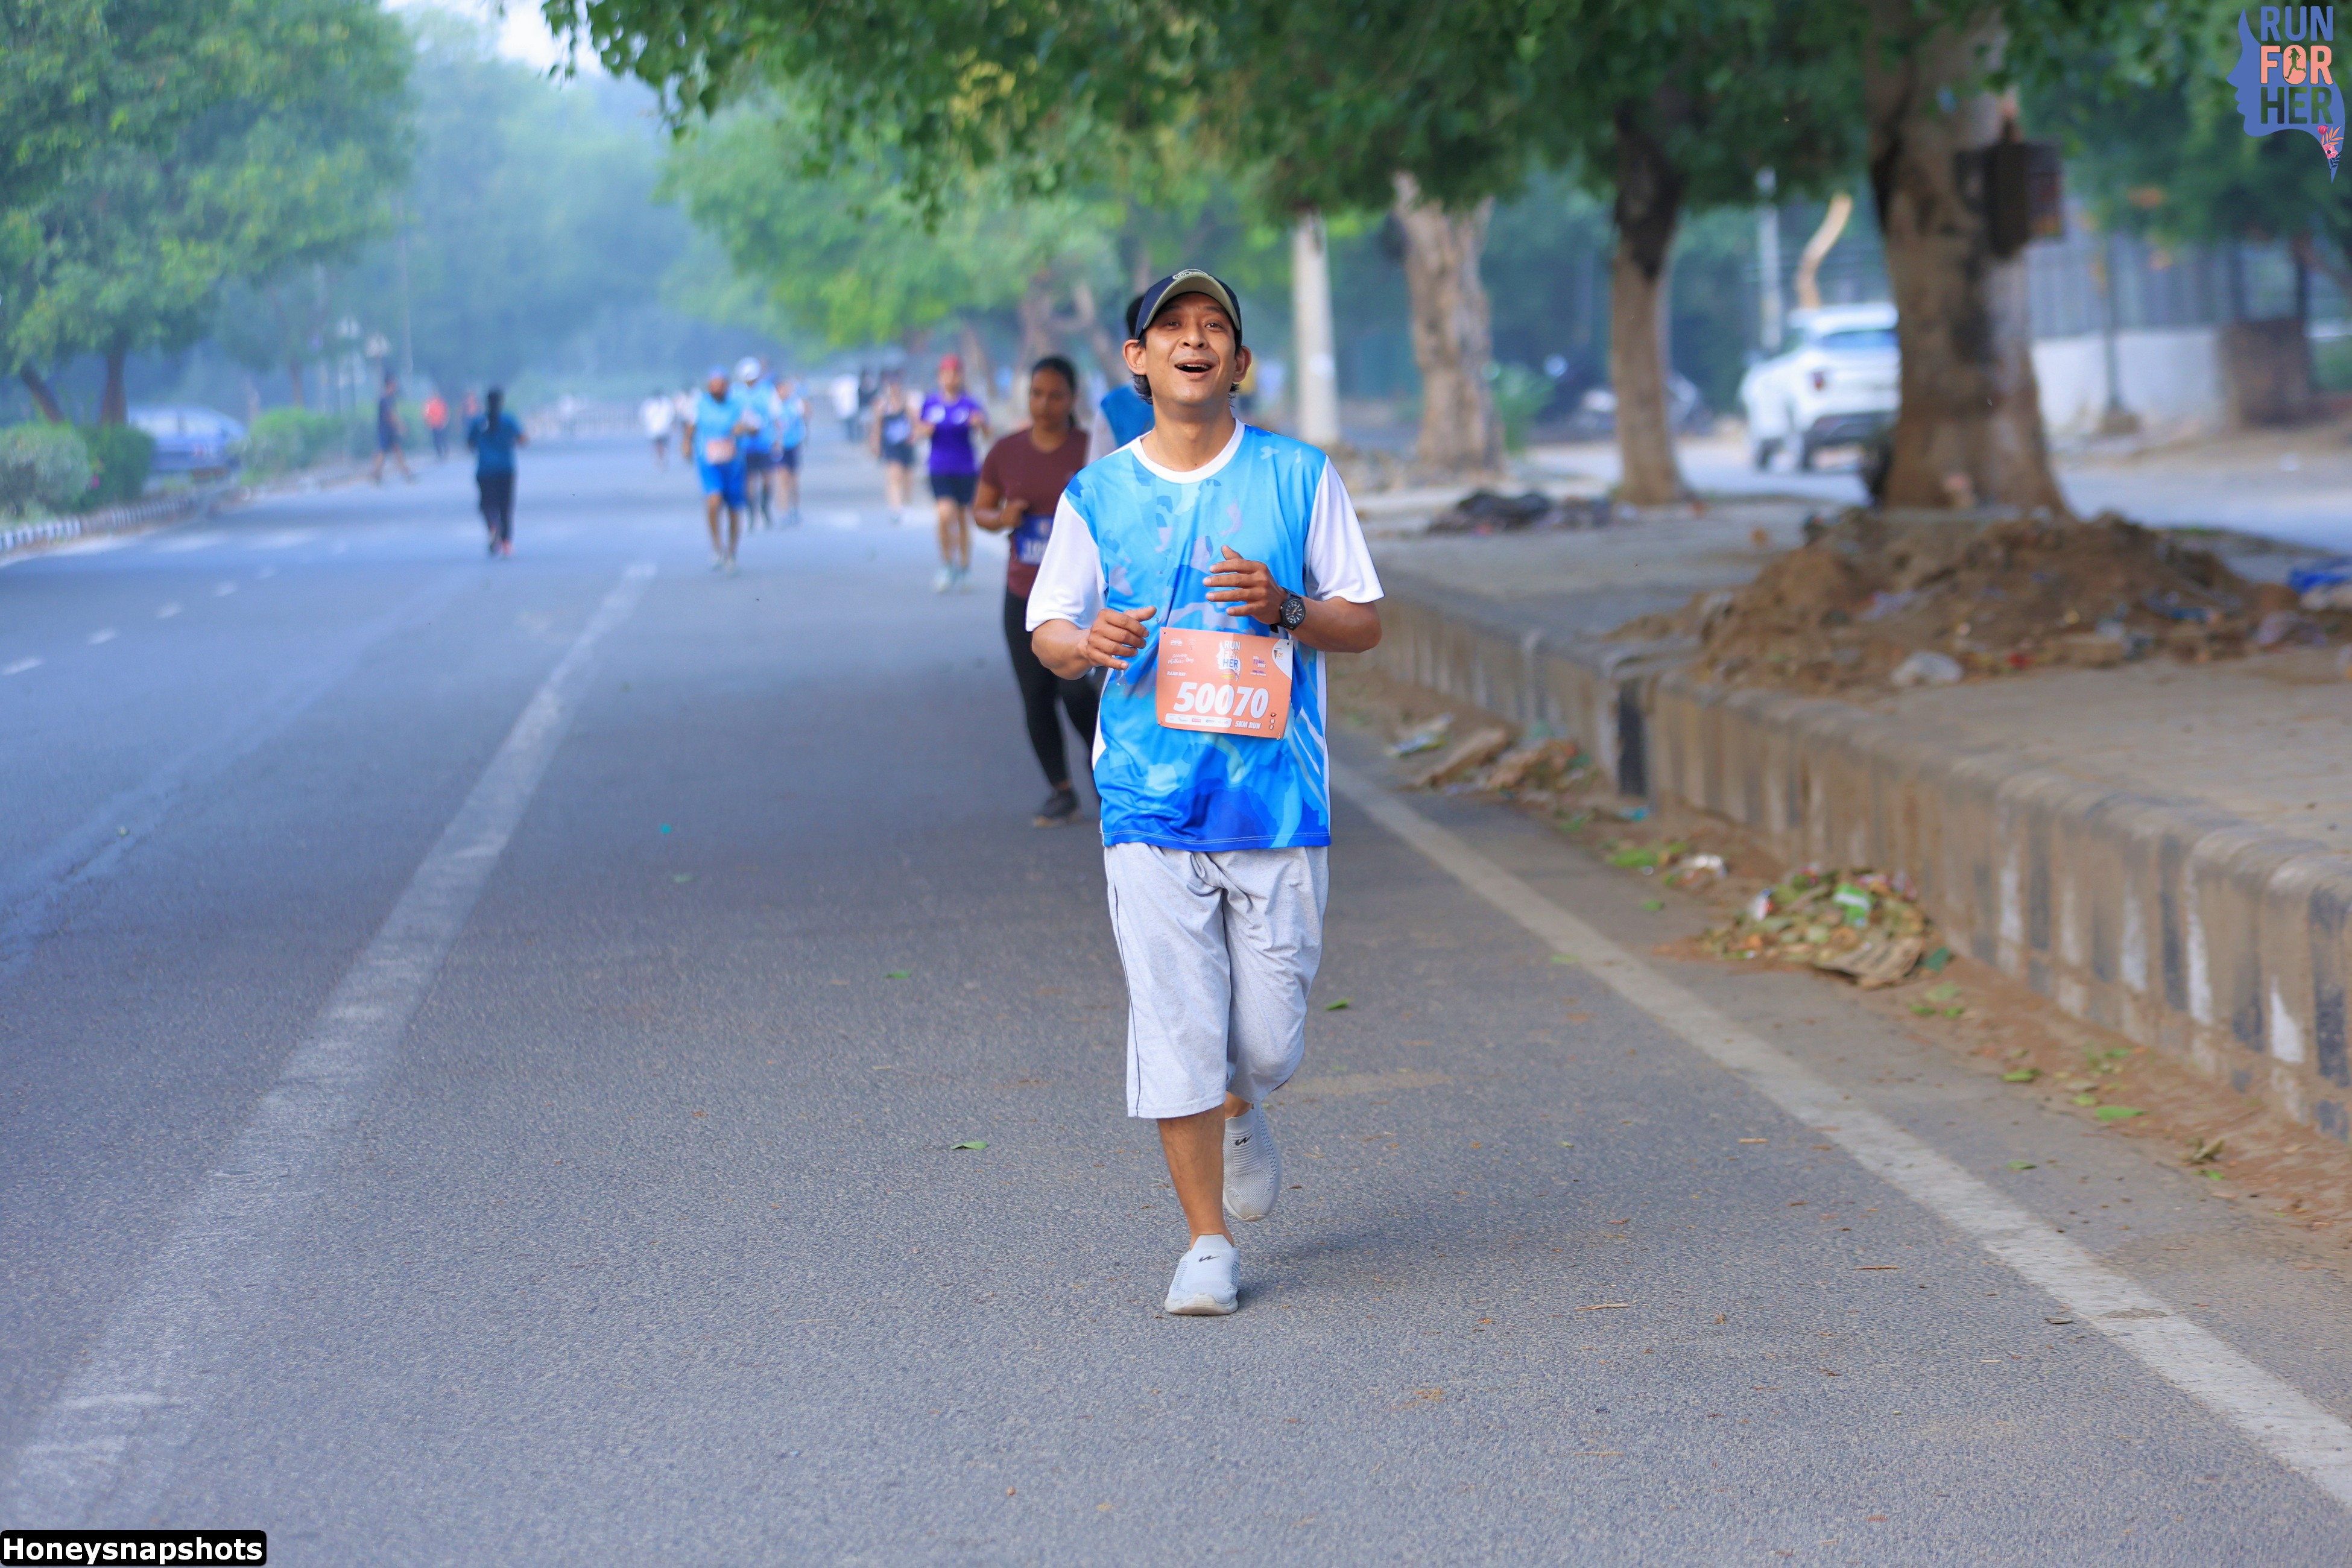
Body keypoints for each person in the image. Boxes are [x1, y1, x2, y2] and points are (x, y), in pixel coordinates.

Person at [1026, 270, 1383, 1317]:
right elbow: (1049, 629)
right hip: (1147, 802)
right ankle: (1205, 1244)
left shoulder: (1297, 477)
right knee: (1176, 1021)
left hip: (1275, 804)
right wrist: (1084, 643)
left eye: (1214, 325)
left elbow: (1363, 620)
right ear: (1137, 360)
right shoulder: (1098, 495)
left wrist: (1285, 606)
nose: (1194, 339)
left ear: (1240, 360)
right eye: (1172, 327)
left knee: (1267, 1040)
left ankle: (1241, 1103)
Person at [973, 356, 1099, 827]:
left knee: (1077, 692)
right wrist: (1002, 518)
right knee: (1035, 695)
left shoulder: (1091, 451)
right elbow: (981, 510)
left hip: (1079, 600)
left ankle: (1104, 776)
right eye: (1037, 394)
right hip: (1023, 594)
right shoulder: (1006, 451)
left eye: (1055, 395)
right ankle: (1060, 791)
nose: (1045, 405)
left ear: (1073, 399)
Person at [915, 353, 989, 592]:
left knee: (963, 519)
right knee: (945, 515)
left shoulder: (970, 405)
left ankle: (965, 567)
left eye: (955, 373)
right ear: (940, 377)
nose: (951, 378)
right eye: (946, 374)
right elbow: (917, 431)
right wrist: (925, 430)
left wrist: (981, 424)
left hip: (966, 469)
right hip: (939, 468)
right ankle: (947, 564)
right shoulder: (931, 404)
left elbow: (988, 432)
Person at [684, 364, 753, 571]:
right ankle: (717, 545)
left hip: (734, 464)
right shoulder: (699, 404)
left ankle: (732, 551)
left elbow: (756, 426)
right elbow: (691, 427)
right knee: (713, 502)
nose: (717, 389)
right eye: (713, 385)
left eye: (721, 385)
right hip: (709, 462)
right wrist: (686, 444)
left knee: (734, 509)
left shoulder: (738, 404)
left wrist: (744, 428)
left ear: (727, 386)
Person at [1087, 292, 1159, 463]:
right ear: (1136, 353)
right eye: (1171, 327)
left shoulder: (1211, 399)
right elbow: (1099, 473)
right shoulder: (1112, 409)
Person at [464, 387, 527, 558]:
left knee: (487, 504)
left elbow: (469, 444)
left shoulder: (478, 422)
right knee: (505, 506)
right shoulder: (508, 420)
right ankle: (506, 543)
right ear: (501, 402)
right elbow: (523, 439)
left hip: (485, 470)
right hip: (505, 469)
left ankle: (493, 527)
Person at [737, 356, 780, 528]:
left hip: (765, 443)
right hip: (745, 445)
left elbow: (776, 416)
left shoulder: (767, 391)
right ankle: (751, 514)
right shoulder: (736, 394)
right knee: (748, 482)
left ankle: (765, 508)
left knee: (768, 479)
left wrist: (778, 439)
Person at [870, 374, 917, 512]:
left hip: (906, 444)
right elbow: (878, 426)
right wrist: (876, 444)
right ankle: (896, 507)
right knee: (894, 476)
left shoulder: (906, 402)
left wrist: (914, 436)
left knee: (907, 477)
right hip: (891, 445)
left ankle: (907, 504)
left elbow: (914, 422)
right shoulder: (882, 406)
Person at [773, 371, 809, 525]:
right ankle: (784, 511)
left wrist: (801, 394)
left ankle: (795, 508)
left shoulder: (795, 404)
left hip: (794, 445)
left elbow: (807, 413)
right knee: (783, 479)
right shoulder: (774, 406)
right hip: (780, 447)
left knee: (794, 479)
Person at [371, 373, 416, 484]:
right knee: (382, 452)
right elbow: (390, 415)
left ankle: (406, 474)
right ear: (390, 384)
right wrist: (400, 425)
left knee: (396, 451)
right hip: (385, 430)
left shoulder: (390, 398)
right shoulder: (385, 399)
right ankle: (376, 475)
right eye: (394, 383)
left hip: (391, 430)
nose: (396, 385)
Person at [640, 388, 676, 467]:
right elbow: (644, 417)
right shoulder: (650, 403)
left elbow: (671, 415)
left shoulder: (666, 403)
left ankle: (662, 459)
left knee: (662, 446)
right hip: (655, 430)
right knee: (658, 446)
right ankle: (660, 459)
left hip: (663, 429)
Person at [423, 391, 451, 461]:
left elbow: (446, 412)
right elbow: (426, 414)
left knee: (443, 439)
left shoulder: (442, 403)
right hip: (434, 425)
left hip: (441, 424)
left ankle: (446, 451)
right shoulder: (430, 403)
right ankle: (439, 453)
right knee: (436, 440)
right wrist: (428, 422)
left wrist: (445, 421)